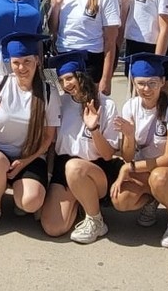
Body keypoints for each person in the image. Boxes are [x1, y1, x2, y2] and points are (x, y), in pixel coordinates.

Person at [0, 32, 60, 236]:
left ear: (37, 61)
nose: (22, 68)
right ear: (10, 63)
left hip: (29, 155)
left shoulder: (48, 92)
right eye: (16, 62)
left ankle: (21, 194)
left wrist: (25, 161)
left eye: (27, 61)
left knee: (31, 202)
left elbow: (48, 137)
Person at [109, 53, 168, 248]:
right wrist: (129, 135)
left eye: (152, 83)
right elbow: (127, 156)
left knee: (159, 177)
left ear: (162, 82)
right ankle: (153, 199)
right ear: (133, 83)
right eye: (141, 83)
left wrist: (129, 168)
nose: (146, 89)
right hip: (146, 170)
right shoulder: (130, 106)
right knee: (120, 199)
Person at [40, 52, 120, 244]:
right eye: (61, 80)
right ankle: (80, 202)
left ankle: (96, 220)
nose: (66, 84)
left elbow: (108, 155)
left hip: (95, 169)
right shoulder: (61, 103)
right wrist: (48, 177)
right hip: (64, 168)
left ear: (81, 75)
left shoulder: (106, 105)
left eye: (69, 78)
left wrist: (94, 129)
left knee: (74, 167)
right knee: (53, 227)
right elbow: (52, 145)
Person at [45, 0, 122, 95]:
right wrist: (56, 5)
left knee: (87, 104)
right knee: (56, 100)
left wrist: (106, 79)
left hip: (90, 61)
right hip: (62, 57)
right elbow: (53, 29)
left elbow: (110, 42)